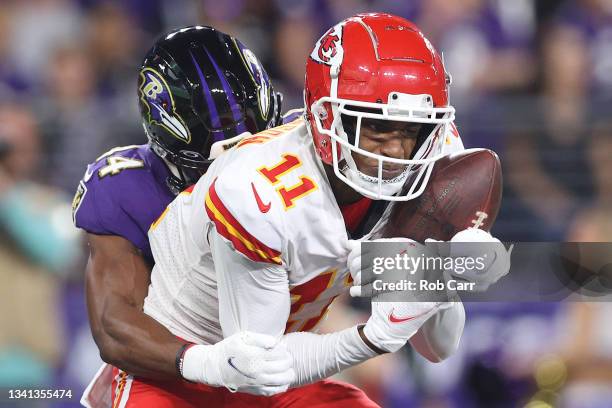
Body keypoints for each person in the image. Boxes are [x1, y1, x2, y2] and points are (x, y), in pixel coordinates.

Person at [140, 13, 510, 406]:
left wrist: (438, 274)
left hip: (287, 362)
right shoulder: (256, 190)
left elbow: (440, 347)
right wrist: (369, 339)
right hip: (180, 366)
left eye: (409, 130)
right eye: (377, 127)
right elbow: (256, 368)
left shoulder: (434, 158)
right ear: (325, 116)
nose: (397, 151)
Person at [75, 26, 298, 407]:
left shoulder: (304, 148)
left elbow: (369, 234)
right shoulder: (124, 188)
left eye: (256, 146)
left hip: (283, 358)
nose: (241, 171)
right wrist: (209, 363)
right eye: (223, 160)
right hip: (176, 372)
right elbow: (115, 327)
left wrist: (420, 286)